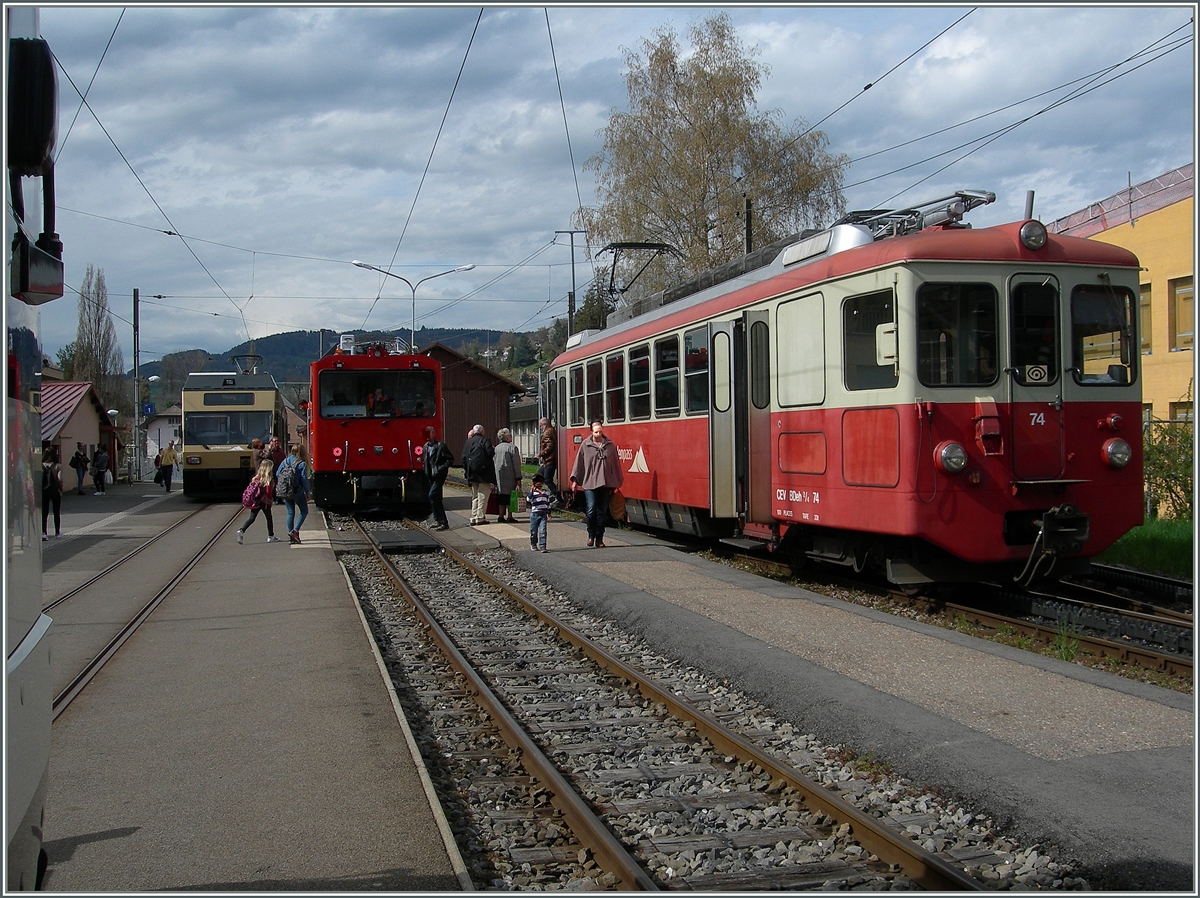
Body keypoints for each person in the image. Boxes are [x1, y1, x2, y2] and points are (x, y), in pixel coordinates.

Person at [568, 419, 624, 548]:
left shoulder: (609, 445)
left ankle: (599, 538)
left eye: (600, 431)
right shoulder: (585, 445)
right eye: (596, 431)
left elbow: (615, 464)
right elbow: (579, 464)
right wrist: (575, 481)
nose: (598, 434)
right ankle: (590, 535)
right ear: (591, 431)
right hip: (589, 482)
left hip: (605, 483)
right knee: (591, 509)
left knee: (602, 511)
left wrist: (616, 481)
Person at [235, 460, 279, 544]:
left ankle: (241, 530)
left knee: (252, 518)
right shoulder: (269, 479)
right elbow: (268, 492)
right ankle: (271, 536)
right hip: (265, 501)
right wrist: (270, 500)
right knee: (269, 518)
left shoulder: (256, 478)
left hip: (256, 500)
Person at [276, 442, 310, 544]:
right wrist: (307, 492)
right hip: (297, 491)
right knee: (304, 511)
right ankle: (295, 531)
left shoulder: (285, 461)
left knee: (290, 512)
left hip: (286, 491)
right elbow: (304, 479)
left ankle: (290, 534)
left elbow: (278, 474)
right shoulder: (301, 464)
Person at [461, 424, 495, 526]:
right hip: (484, 473)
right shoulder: (485, 440)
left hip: (472, 473)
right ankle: (480, 517)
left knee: (475, 495)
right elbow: (490, 454)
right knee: (483, 494)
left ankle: (473, 516)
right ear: (482, 432)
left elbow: (463, 458)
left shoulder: (468, 442)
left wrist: (467, 470)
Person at [422, 426, 453, 531]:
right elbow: (425, 461)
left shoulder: (440, 446)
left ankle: (441, 521)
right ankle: (440, 521)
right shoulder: (426, 446)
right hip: (430, 475)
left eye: (429, 433)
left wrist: (441, 469)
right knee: (436, 499)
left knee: (432, 495)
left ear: (433, 433)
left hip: (438, 475)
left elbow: (450, 459)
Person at [492, 428, 522, 524]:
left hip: (499, 476)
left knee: (501, 496)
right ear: (507, 437)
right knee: (510, 496)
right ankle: (510, 516)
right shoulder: (513, 448)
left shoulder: (496, 448)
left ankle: (501, 516)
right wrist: (518, 477)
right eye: (510, 435)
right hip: (510, 476)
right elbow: (516, 464)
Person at [526, 473, 552, 553]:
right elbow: (528, 500)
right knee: (533, 531)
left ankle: (542, 546)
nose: (538, 483)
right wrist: (531, 491)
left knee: (543, 531)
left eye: (540, 482)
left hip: (543, 515)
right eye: (536, 482)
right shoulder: (533, 494)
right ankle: (533, 543)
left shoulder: (545, 493)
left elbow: (547, 504)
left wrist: (549, 513)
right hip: (534, 514)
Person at [42, 446, 63, 540]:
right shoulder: (58, 466)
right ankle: (57, 532)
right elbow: (59, 479)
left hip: (43, 491)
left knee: (44, 513)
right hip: (54, 491)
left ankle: (43, 533)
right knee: (56, 512)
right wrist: (61, 489)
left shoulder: (40, 465)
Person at [537, 417, 558, 504]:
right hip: (549, 460)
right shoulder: (552, 430)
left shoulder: (547, 433)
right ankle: (540, 494)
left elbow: (549, 446)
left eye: (541, 426)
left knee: (547, 479)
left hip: (550, 460)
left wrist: (541, 454)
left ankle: (557, 496)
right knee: (539, 475)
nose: (540, 428)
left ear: (545, 425)